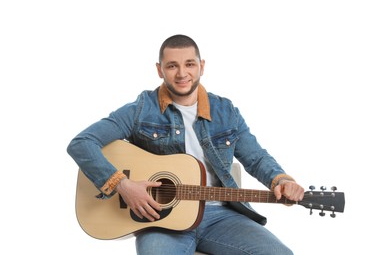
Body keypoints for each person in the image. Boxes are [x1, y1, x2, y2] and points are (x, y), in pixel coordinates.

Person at [67, 34, 305, 255]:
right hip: (160, 221)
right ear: (160, 70)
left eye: (189, 64)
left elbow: (257, 158)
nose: (182, 73)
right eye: (172, 66)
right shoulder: (141, 109)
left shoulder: (226, 111)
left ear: (201, 66)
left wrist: (282, 181)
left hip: (221, 216)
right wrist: (123, 185)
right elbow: (82, 143)